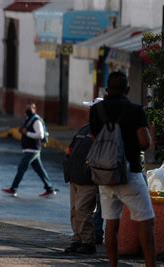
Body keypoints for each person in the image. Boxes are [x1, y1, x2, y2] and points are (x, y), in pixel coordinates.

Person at [89, 72, 155, 267]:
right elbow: (144, 142)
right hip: (130, 172)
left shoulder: (96, 110)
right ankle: (151, 265)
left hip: (105, 174)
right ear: (127, 89)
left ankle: (113, 264)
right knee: (146, 220)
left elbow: (95, 140)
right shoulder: (135, 110)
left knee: (111, 222)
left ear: (107, 90)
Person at [63, 97, 103, 255]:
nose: (89, 112)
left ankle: (88, 242)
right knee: (74, 210)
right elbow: (70, 150)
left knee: (83, 210)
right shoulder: (84, 130)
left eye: (92, 110)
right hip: (75, 177)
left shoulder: (102, 132)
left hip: (88, 179)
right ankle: (77, 239)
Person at [2, 103, 55, 197]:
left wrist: (27, 133)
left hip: (33, 149)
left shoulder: (36, 120)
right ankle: (49, 188)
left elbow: (40, 135)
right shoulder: (29, 119)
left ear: (34, 110)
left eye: (29, 109)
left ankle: (13, 189)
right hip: (29, 149)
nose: (27, 111)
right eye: (26, 109)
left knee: (21, 168)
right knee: (39, 170)